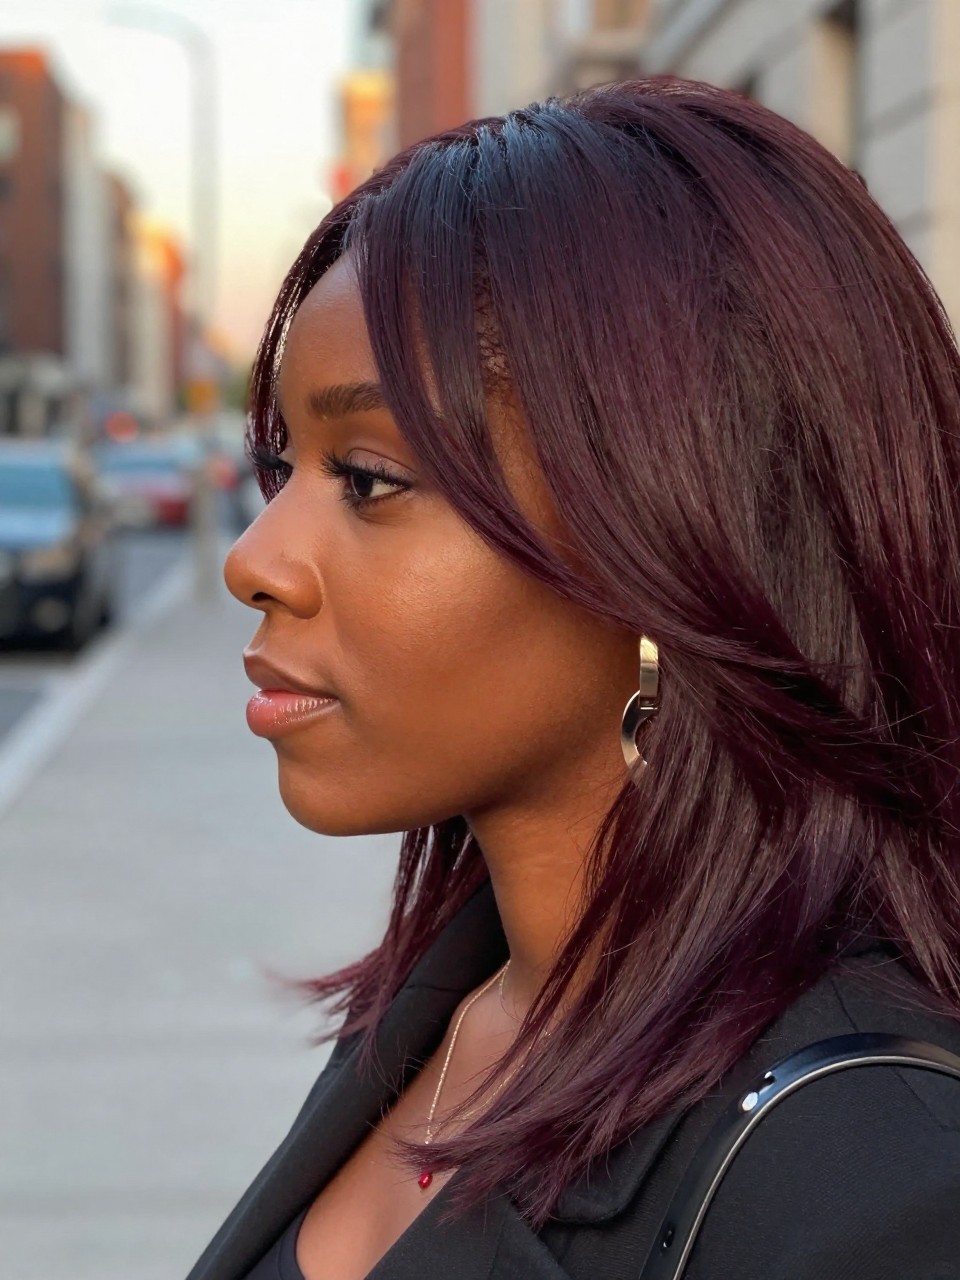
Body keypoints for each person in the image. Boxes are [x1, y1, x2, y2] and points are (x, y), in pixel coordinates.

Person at [186, 76, 960, 1280]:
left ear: (679, 537)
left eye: (372, 477)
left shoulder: (865, 1179)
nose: (256, 560)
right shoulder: (444, 1002)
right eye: (284, 468)